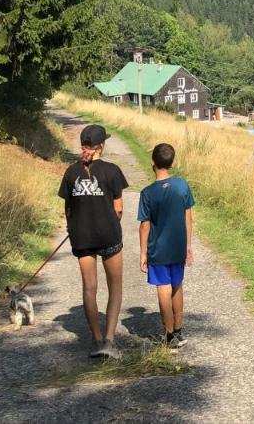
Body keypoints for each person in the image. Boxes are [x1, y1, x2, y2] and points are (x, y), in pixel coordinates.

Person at [58, 123, 128, 359]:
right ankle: (109, 340)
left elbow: (68, 210)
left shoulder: (71, 172)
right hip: (109, 235)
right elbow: (119, 209)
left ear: (84, 145)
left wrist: (75, 226)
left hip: (82, 237)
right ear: (101, 145)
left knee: (89, 288)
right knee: (115, 288)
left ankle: (96, 340)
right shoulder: (112, 171)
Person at [137, 142, 195, 351]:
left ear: (152, 162)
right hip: (178, 246)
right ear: (172, 162)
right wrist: (188, 245)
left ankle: (169, 335)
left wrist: (143, 253)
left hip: (158, 249)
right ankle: (179, 330)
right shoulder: (182, 185)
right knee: (177, 285)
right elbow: (188, 217)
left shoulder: (147, 193)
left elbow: (144, 226)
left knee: (163, 287)